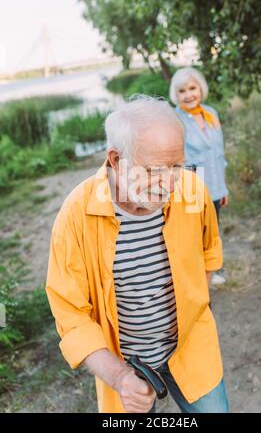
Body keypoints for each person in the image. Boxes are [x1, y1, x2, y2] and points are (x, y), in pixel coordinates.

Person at [46, 96, 229, 413]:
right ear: (116, 160)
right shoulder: (75, 214)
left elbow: (209, 252)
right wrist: (118, 376)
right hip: (126, 366)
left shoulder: (192, 189)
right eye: (154, 170)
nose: (169, 182)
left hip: (192, 349)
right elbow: (71, 314)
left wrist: (193, 305)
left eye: (176, 165)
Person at [170, 67, 229, 285]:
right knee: (193, 234)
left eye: (192, 88)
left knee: (212, 232)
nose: (189, 95)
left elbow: (219, 153)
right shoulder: (175, 119)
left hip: (215, 183)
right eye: (182, 91)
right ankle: (193, 277)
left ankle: (210, 270)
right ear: (176, 95)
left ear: (200, 88)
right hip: (192, 184)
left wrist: (223, 188)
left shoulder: (210, 113)